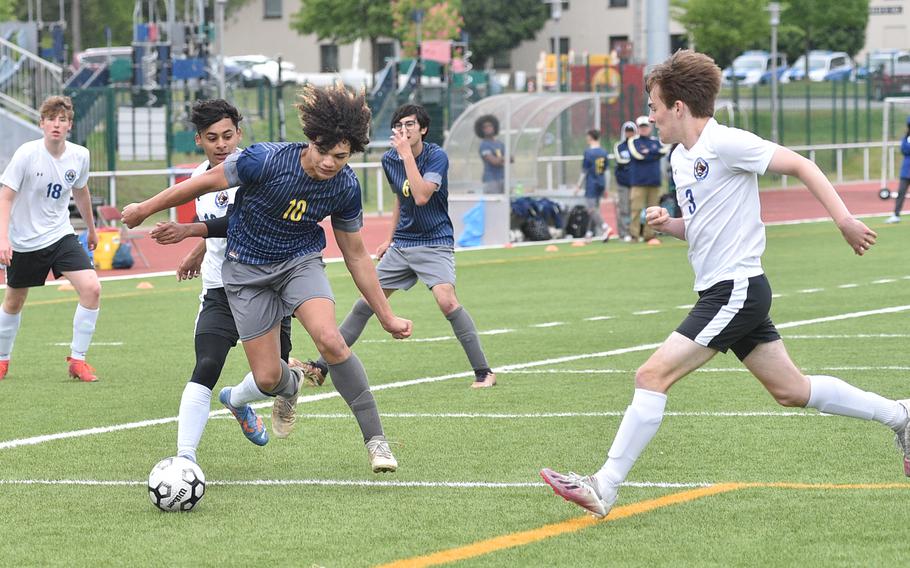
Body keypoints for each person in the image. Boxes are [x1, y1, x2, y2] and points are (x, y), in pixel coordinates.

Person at [540, 50, 901, 519]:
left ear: (678, 107)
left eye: (653, 106)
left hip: (736, 289)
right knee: (792, 389)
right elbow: (704, 225)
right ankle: (902, 415)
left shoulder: (726, 142)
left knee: (651, 376)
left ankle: (604, 486)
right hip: (724, 290)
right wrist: (670, 223)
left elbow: (802, 165)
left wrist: (845, 219)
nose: (649, 116)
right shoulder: (680, 158)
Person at [122, 84, 412, 473]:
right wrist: (144, 208)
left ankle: (377, 443)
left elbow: (356, 254)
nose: (330, 162)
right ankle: (274, 388)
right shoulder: (266, 161)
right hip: (246, 273)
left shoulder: (344, 186)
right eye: (324, 152)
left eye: (340, 156)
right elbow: (200, 185)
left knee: (330, 340)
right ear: (311, 139)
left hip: (299, 263)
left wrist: (387, 315)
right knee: (268, 376)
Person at [147, 99, 317, 464]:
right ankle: (185, 459)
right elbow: (217, 223)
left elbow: (241, 222)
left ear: (239, 134)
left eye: (227, 135)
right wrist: (199, 249)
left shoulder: (257, 169)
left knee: (272, 377)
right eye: (212, 138)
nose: (221, 144)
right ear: (199, 140)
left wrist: (188, 232)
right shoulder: (198, 180)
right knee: (206, 364)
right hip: (220, 287)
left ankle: (237, 400)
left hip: (264, 283)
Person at [299, 104, 497, 389]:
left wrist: (407, 156)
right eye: (399, 125)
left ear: (423, 129)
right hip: (403, 244)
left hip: (434, 242)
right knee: (366, 303)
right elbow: (400, 198)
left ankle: (484, 372)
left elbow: (420, 196)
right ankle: (319, 367)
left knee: (447, 301)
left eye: (410, 125)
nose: (404, 130)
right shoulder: (390, 159)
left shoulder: (436, 156)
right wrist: (390, 238)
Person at [0, 95, 101, 382]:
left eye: (63, 120)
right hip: (24, 241)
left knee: (92, 289)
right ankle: (2, 359)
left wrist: (91, 229)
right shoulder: (26, 154)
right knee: (14, 302)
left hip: (60, 235)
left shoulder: (80, 155)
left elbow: (81, 192)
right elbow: (5, 197)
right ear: (42, 123)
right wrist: (2, 239)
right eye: (51, 119)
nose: (56, 124)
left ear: (70, 125)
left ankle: (78, 361)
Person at [628, 114, 669, 244]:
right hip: (638, 182)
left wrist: (649, 153)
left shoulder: (656, 142)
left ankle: (649, 235)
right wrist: (654, 154)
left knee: (653, 211)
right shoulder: (633, 141)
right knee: (636, 209)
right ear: (638, 128)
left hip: (654, 182)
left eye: (646, 126)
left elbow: (664, 151)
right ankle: (634, 235)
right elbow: (638, 156)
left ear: (650, 127)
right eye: (641, 127)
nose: (644, 129)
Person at [576, 129, 611, 242]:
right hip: (600, 183)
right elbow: (607, 172)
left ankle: (606, 228)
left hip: (591, 183)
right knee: (594, 209)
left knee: (591, 209)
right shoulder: (603, 152)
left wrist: (578, 185)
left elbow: (584, 171)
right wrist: (606, 187)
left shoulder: (588, 152)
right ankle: (589, 234)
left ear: (590, 137)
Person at [613, 121, 637, 242]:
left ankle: (635, 232)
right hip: (623, 182)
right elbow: (620, 160)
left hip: (637, 182)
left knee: (636, 208)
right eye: (627, 131)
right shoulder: (619, 146)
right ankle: (624, 232)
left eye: (631, 131)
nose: (629, 133)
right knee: (624, 208)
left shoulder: (638, 145)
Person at [885, 116, 910, 223]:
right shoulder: (906, 138)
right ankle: (896, 215)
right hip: (906, 171)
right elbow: (904, 149)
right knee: (901, 192)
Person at [475, 114, 505, 194]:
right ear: (481, 130)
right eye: (485, 127)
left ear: (494, 127)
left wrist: (501, 159)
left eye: (490, 126)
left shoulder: (500, 144)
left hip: (503, 179)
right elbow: (494, 161)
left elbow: (511, 158)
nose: (488, 128)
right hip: (491, 180)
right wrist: (503, 159)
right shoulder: (484, 145)